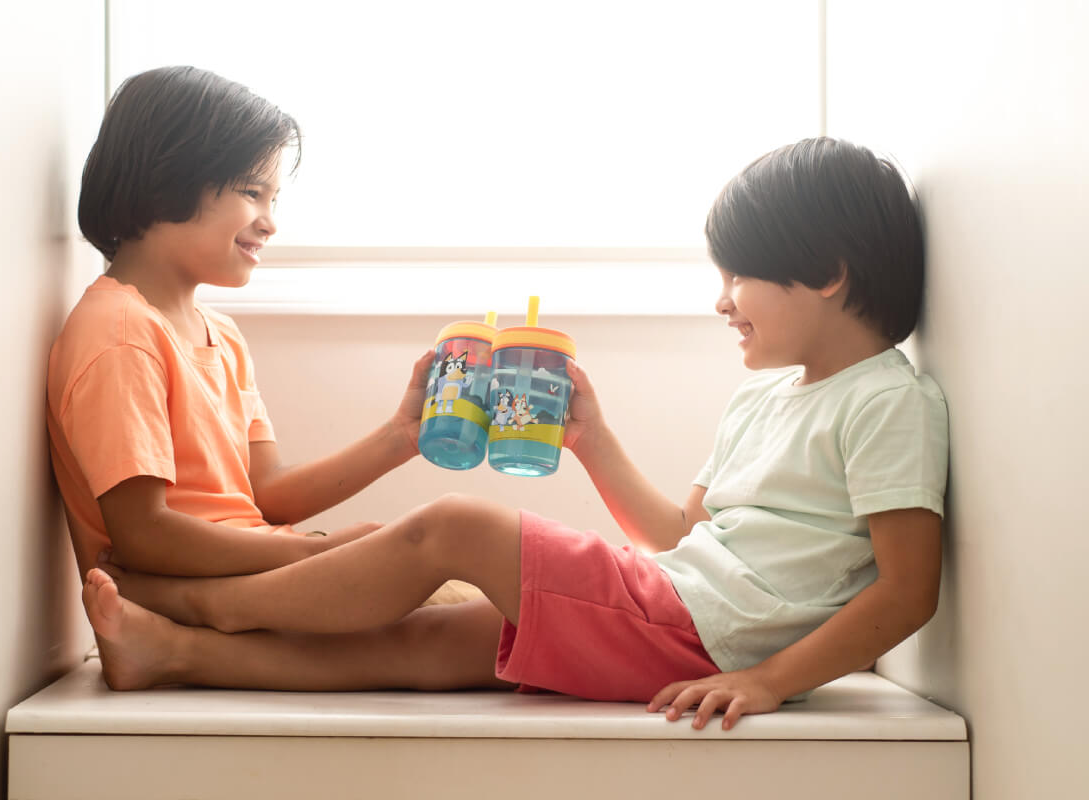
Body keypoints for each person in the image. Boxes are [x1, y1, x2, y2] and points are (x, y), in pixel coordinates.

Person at [81, 136, 949, 731]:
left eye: (739, 279)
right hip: (678, 605)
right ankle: (178, 655)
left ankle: (199, 605)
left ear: (828, 274)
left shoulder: (886, 402)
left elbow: (907, 592)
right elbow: (683, 536)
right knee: (422, 646)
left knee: (455, 526)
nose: (723, 303)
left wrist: (766, 682)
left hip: (701, 632)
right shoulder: (763, 401)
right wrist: (595, 440)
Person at [47, 65, 437, 586]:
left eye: (273, 199)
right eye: (253, 192)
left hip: (252, 572)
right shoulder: (120, 334)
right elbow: (143, 535)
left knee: (460, 581)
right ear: (168, 181)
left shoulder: (222, 336)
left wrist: (401, 437)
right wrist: (311, 555)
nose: (270, 221)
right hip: (195, 595)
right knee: (453, 543)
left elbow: (266, 493)